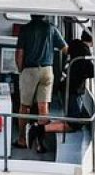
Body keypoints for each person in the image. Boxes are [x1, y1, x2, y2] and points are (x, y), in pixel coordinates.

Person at [14, 14, 68, 153]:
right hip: (47, 70)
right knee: (43, 108)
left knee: (24, 107)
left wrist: (21, 70)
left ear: (31, 15)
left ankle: (22, 140)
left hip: (30, 70)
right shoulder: (51, 28)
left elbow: (19, 53)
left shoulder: (25, 29)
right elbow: (65, 49)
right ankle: (40, 143)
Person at [35, 29, 95, 138]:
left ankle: (39, 128)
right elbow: (91, 72)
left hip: (66, 86)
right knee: (73, 125)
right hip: (72, 90)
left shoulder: (74, 46)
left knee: (73, 118)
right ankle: (38, 130)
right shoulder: (84, 52)